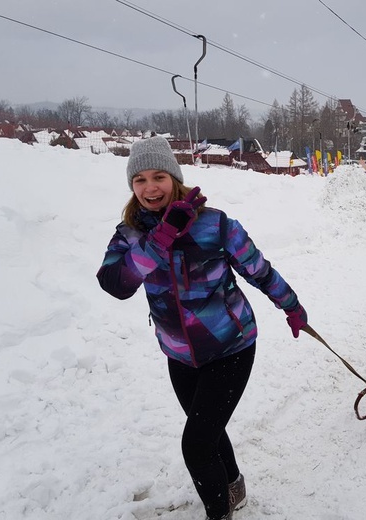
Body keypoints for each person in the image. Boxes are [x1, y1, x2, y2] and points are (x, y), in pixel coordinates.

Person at [96, 136, 308, 520]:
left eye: (158, 176)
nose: (149, 188)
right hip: (179, 354)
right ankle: (233, 487)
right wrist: (161, 238)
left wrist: (291, 306)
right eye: (139, 179)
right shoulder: (130, 233)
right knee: (207, 430)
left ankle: (219, 514)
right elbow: (116, 284)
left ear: (174, 178)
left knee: (195, 444)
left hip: (231, 347)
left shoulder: (216, 225)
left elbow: (259, 271)